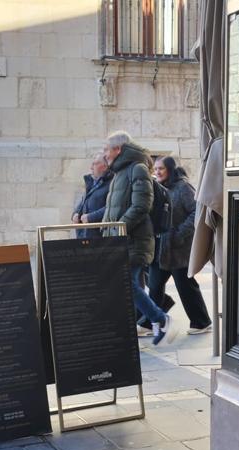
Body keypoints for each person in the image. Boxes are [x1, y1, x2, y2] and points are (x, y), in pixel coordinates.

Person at [102, 131, 174, 346]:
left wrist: (118, 228)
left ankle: (160, 318)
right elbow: (113, 208)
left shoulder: (137, 168)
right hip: (120, 238)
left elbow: (142, 205)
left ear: (119, 149)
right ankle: (146, 324)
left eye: (107, 149)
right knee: (129, 285)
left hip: (133, 239)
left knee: (127, 284)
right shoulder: (120, 173)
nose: (104, 154)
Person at [139, 156, 212, 334]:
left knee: (186, 287)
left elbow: (196, 212)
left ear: (170, 169)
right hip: (161, 248)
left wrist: (179, 234)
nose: (157, 172)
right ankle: (150, 323)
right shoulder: (158, 188)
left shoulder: (183, 187)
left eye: (161, 169)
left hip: (178, 249)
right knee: (155, 286)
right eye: (155, 169)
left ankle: (201, 322)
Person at [72, 153, 113, 238]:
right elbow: (82, 204)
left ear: (105, 166)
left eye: (95, 163)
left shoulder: (112, 184)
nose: (91, 167)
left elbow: (112, 207)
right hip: (84, 236)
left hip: (101, 238)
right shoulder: (91, 183)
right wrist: (75, 214)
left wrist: (91, 217)